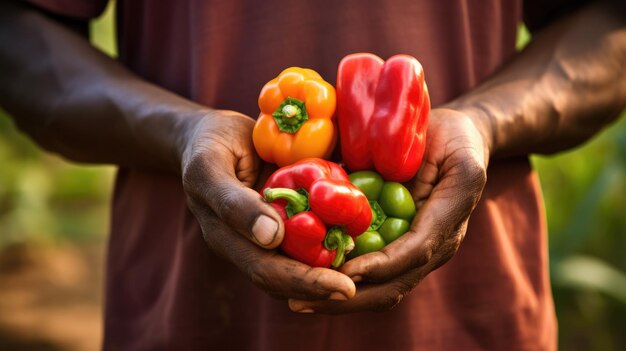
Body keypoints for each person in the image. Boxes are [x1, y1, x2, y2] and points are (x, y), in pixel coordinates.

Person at [1, 0, 625, 349]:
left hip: (475, 324)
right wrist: (178, 132)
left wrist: (485, 123)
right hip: (187, 318)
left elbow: (611, 28)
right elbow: (18, 30)